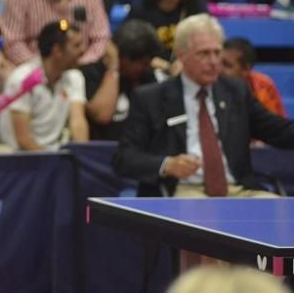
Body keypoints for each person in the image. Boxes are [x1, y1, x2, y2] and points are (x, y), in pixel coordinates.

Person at [113, 14, 294, 197]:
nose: (214, 62)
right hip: (183, 190)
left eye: (217, 52)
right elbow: (124, 158)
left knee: (281, 212)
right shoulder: (151, 98)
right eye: (204, 53)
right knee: (199, 216)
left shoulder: (236, 92)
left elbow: (277, 129)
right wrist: (167, 164)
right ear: (182, 55)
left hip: (238, 190)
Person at [0, 19, 89, 151]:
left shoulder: (75, 78)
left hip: (56, 155)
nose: (83, 50)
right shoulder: (21, 80)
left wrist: (83, 156)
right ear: (57, 50)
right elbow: (23, 139)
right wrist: (51, 162)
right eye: (77, 45)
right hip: (19, 159)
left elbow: (78, 121)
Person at [85, 19, 165, 141]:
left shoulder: (145, 75)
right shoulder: (92, 72)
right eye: (143, 63)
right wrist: (113, 70)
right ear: (124, 58)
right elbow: (102, 116)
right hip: (102, 150)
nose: (146, 67)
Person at [222, 37, 285, 117]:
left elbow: (275, 125)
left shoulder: (264, 87)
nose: (219, 69)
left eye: (227, 65)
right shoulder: (210, 82)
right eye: (219, 62)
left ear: (246, 69)